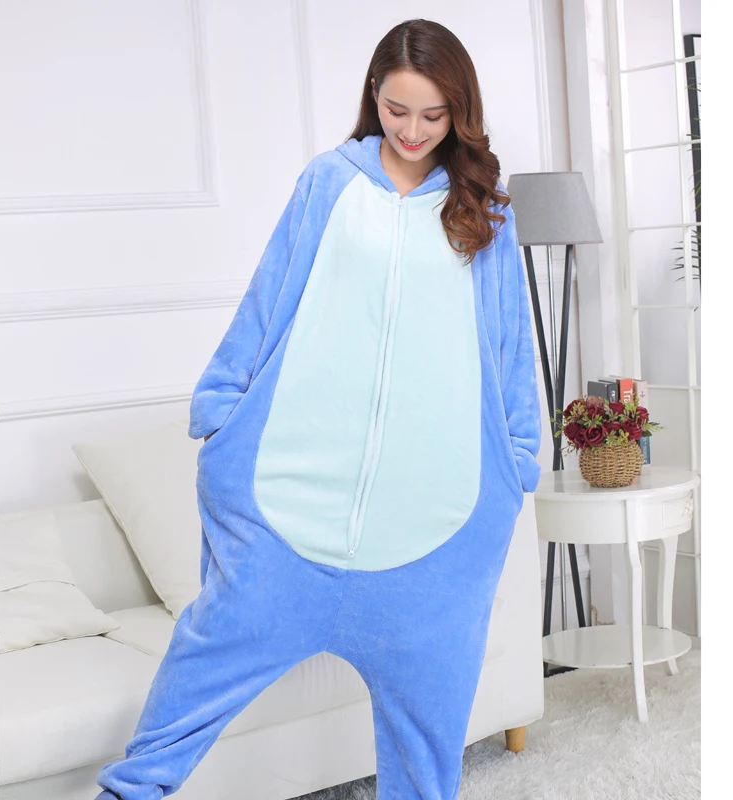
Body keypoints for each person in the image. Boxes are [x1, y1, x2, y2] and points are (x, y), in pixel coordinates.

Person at [95, 17, 541, 800]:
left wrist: (518, 455)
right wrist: (222, 405)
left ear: (460, 112)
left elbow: (510, 343)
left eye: (433, 115)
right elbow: (270, 297)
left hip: (432, 530)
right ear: (374, 94)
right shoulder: (328, 184)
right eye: (397, 109)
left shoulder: (484, 211)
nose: (412, 131)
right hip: (291, 508)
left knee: (426, 756)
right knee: (192, 686)